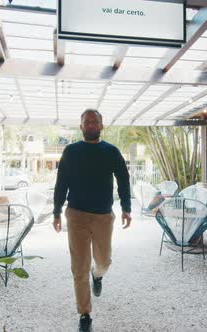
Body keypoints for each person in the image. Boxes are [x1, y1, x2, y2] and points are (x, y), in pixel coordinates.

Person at [53, 109, 132, 332]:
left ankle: (97, 276)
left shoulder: (111, 151)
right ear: (81, 127)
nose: (90, 125)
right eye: (86, 122)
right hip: (76, 214)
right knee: (79, 267)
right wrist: (56, 211)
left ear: (101, 125)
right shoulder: (71, 151)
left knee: (104, 260)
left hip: (103, 216)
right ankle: (85, 314)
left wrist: (126, 208)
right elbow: (61, 182)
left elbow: (123, 180)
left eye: (94, 121)